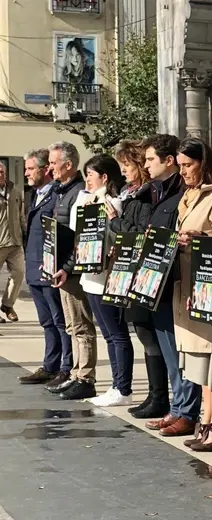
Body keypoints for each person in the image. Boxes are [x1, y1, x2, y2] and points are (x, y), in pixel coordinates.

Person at [162, 138, 212, 446]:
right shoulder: (188, 195)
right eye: (179, 166)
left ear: (203, 163)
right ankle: (205, 417)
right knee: (197, 359)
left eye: (188, 166)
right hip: (185, 281)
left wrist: (200, 236)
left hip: (207, 285)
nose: (183, 172)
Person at [111, 139, 171, 420]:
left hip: (145, 272)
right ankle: (153, 393)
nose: (123, 171)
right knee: (144, 334)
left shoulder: (147, 197)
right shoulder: (131, 194)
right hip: (130, 271)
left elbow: (140, 234)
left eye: (127, 165)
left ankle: (160, 396)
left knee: (150, 336)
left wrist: (114, 222)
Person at [140, 134, 196, 434]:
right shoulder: (155, 193)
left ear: (169, 161)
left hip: (175, 280)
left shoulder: (180, 195)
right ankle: (177, 407)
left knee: (180, 350)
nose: (145, 165)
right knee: (168, 350)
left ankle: (186, 409)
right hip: (156, 281)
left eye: (150, 159)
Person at [77, 155, 132, 407]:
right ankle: (115, 384)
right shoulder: (88, 200)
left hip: (106, 278)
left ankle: (122, 387)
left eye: (90, 173)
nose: (86, 178)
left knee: (117, 334)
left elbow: (116, 240)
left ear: (104, 177)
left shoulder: (112, 204)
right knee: (108, 335)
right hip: (90, 277)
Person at [18, 149, 73, 388]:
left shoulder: (57, 195)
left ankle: (66, 367)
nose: (27, 173)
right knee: (46, 321)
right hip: (34, 266)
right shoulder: (34, 195)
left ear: (45, 170)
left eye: (31, 169)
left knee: (60, 321)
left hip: (50, 267)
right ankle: (50, 365)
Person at [48, 141, 97, 401]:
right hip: (63, 269)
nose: (50, 167)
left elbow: (80, 237)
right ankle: (77, 374)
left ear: (68, 165)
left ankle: (85, 377)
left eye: (54, 163)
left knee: (81, 325)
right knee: (72, 326)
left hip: (74, 271)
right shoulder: (63, 191)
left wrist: (66, 267)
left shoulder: (79, 192)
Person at [0, 162, 25, 323]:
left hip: (15, 242)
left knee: (19, 274)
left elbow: (22, 215)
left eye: (2, 171)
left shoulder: (16, 190)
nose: (0, 174)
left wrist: (26, 235)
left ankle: (7, 305)